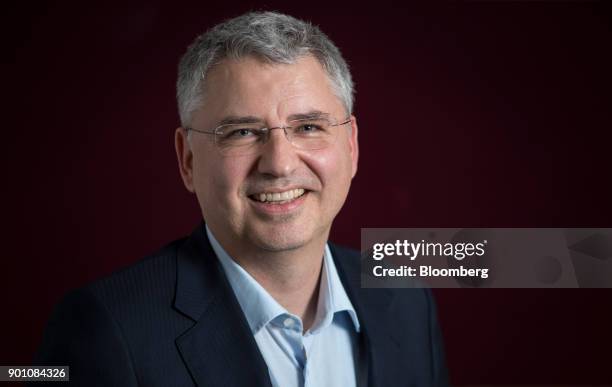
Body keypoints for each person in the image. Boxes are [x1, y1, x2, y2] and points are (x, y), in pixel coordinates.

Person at [34, 11, 448, 387]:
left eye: (307, 127)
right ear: (187, 160)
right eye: (242, 132)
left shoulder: (407, 297)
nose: (280, 165)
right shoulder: (102, 329)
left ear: (352, 146)